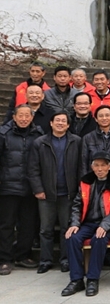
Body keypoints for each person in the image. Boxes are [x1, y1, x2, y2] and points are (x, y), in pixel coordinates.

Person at [61, 151, 110, 297]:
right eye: (96, 165)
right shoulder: (85, 182)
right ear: (92, 167)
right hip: (88, 223)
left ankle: (93, 279)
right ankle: (76, 280)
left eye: (103, 165)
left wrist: (104, 225)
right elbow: (77, 205)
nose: (99, 169)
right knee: (72, 237)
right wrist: (74, 224)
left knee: (99, 239)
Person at [27, 111, 82, 273]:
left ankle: (65, 260)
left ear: (68, 125)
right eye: (57, 120)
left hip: (68, 193)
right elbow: (33, 168)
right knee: (46, 229)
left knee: (67, 228)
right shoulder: (40, 142)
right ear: (51, 123)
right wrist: (38, 189)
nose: (60, 123)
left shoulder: (76, 141)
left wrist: (79, 188)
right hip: (46, 193)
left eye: (63, 121)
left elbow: (81, 167)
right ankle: (45, 260)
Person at [0, 105, 44, 275]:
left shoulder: (38, 134)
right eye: (21, 115)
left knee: (28, 224)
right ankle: (4, 259)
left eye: (27, 116)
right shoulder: (4, 134)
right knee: (6, 224)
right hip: (8, 186)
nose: (24, 119)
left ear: (32, 117)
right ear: (14, 117)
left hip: (30, 187)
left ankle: (22, 255)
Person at [81, 105, 110, 179]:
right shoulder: (87, 138)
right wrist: (85, 180)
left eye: (107, 115)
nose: (104, 118)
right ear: (96, 119)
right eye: (101, 116)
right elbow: (84, 163)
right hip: (94, 179)